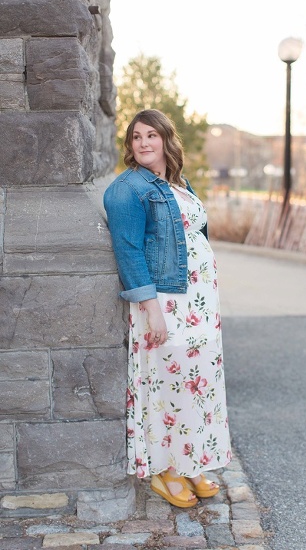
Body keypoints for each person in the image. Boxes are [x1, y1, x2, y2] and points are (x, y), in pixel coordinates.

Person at [103, 109, 231, 508]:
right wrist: (151, 309)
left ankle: (191, 462)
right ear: (130, 145)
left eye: (151, 135)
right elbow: (129, 251)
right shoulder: (127, 189)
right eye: (136, 137)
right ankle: (166, 470)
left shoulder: (177, 184)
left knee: (198, 381)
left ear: (165, 141)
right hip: (165, 303)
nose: (143, 143)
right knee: (168, 384)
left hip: (199, 303)